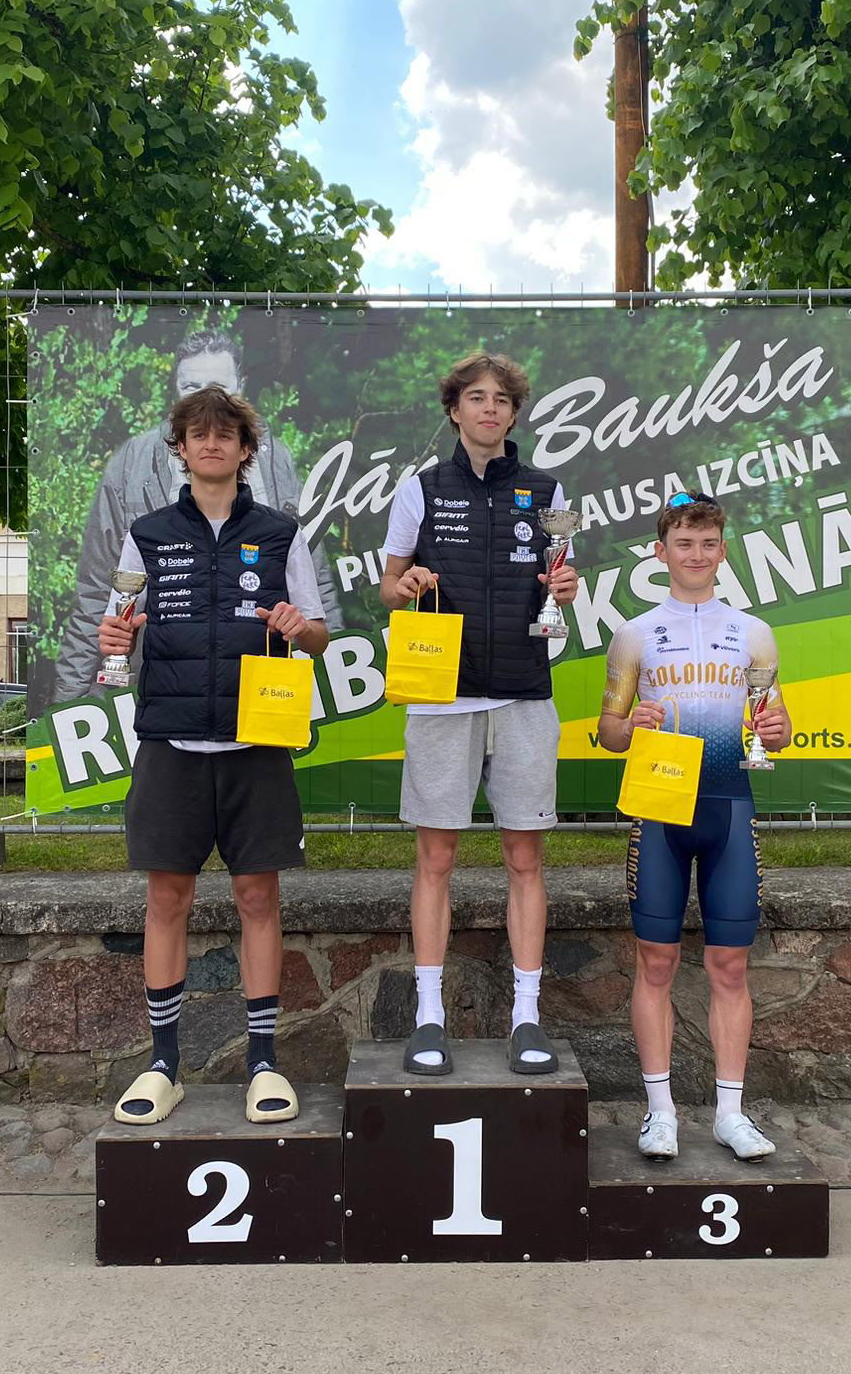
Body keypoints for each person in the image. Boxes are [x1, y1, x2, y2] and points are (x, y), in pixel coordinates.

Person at [101, 384, 329, 1126]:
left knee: (258, 898)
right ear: (180, 448)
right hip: (170, 740)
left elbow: (319, 634)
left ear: (244, 449)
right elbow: (117, 625)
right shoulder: (147, 533)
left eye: (224, 434)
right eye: (197, 434)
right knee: (167, 899)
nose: (210, 444)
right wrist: (114, 637)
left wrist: (298, 627)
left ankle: (263, 1064)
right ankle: (163, 1065)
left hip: (255, 741)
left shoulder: (281, 533)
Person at [379, 351, 578, 1077]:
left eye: (501, 400)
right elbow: (387, 587)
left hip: (524, 693)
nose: (490, 409)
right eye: (476, 397)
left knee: (525, 858)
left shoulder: (547, 491)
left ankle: (527, 1017)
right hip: (444, 697)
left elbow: (561, 580)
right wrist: (408, 584)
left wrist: (567, 588)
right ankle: (429, 1017)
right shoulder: (420, 489)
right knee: (436, 857)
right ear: (455, 409)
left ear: (514, 414)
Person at [596, 493, 792, 1163]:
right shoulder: (634, 634)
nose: (696, 554)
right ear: (661, 552)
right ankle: (660, 1113)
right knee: (656, 961)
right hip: (660, 808)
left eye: (708, 543)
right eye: (684, 543)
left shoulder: (754, 632)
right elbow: (608, 732)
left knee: (729, 965)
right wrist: (630, 724)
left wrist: (777, 729)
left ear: (723, 552)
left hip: (729, 806)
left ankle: (731, 1115)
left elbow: (775, 728)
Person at [54, 328, 341, 705]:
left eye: (218, 387)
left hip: (260, 704)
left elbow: (316, 597)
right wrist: (69, 703)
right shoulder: (134, 481)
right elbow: (98, 598)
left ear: (241, 388)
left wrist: (333, 679)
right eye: (191, 387)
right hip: (166, 709)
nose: (207, 400)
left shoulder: (279, 471)